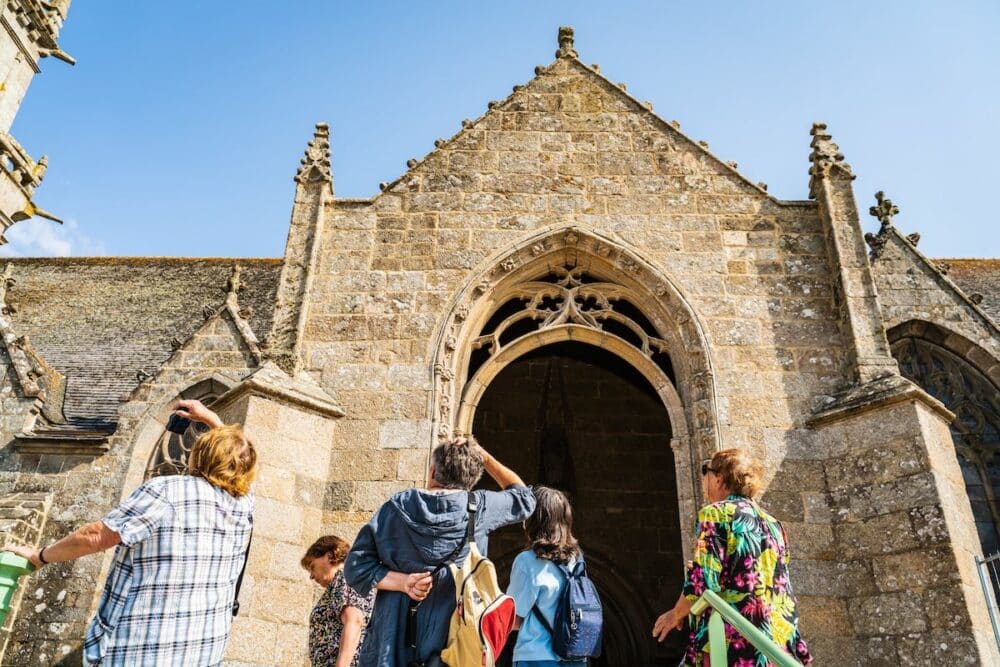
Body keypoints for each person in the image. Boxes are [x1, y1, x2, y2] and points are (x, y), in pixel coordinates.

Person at [3, 399, 255, 667]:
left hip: (144, 650)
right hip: (203, 650)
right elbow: (243, 455)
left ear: (201, 455)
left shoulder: (167, 491)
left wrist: (39, 555)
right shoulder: (244, 504)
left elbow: (96, 535)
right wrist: (212, 419)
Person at [344, 436, 536, 667]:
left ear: (433, 471)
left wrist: (404, 582)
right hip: (454, 644)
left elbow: (355, 566)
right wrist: (482, 455)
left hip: (392, 640)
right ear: (472, 478)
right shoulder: (480, 507)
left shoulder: (397, 506)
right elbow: (525, 499)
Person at [652, 449, 813, 666]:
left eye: (705, 471)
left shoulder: (715, 514)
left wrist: (674, 615)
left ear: (719, 479)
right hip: (776, 641)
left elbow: (702, 583)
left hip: (735, 641)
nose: (703, 478)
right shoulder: (774, 524)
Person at [506, 486, 587, 667]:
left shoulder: (526, 561)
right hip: (575, 658)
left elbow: (512, 619)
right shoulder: (577, 559)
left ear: (535, 518)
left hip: (536, 657)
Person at [302, 535, 376, 667]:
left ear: (330, 555)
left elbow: (354, 621)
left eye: (312, 566)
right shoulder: (341, 582)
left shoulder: (344, 577)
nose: (311, 576)